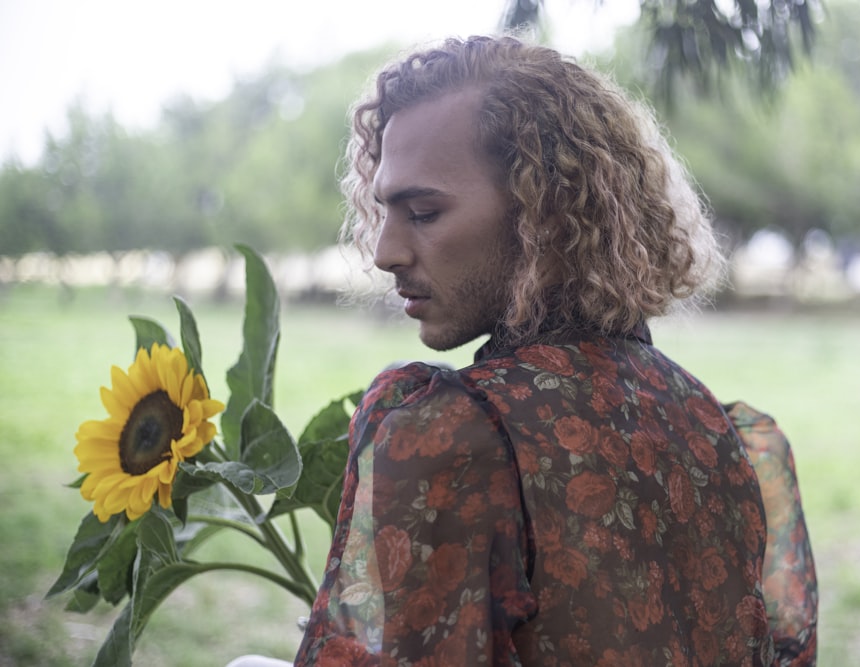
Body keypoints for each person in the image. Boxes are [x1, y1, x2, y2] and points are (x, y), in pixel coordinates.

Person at [279, 34, 818, 666]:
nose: (385, 252)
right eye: (386, 212)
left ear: (545, 214)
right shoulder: (730, 437)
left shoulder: (456, 431)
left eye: (422, 212)